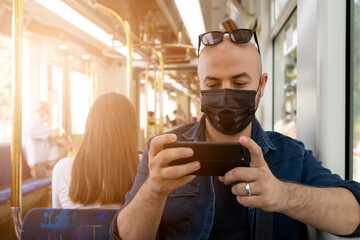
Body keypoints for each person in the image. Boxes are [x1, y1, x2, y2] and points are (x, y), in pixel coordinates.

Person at [110, 29, 360, 239]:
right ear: (199, 87)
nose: (226, 94)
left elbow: (354, 216)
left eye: (240, 84)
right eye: (213, 85)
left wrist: (283, 195)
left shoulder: (291, 156)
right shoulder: (166, 151)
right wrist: (154, 190)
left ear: (261, 85)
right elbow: (123, 236)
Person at [52, 93, 139, 208]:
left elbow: (57, 218)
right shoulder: (146, 167)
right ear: (131, 128)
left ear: (90, 125)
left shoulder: (62, 168)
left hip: (78, 227)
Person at [22, 100, 70, 178]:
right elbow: (54, 134)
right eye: (47, 111)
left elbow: (50, 140)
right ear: (39, 111)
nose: (48, 114)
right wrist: (61, 131)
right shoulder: (32, 125)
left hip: (44, 166)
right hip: (41, 169)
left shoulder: (37, 125)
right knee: (68, 176)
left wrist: (63, 143)